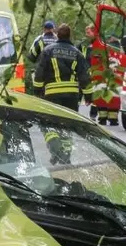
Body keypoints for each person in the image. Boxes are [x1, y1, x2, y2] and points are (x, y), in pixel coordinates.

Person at [32, 24, 93, 164]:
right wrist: (88, 95)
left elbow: (39, 73)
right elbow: (84, 76)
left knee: (48, 122)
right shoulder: (77, 53)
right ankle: (65, 156)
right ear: (69, 36)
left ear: (57, 35)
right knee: (67, 125)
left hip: (52, 94)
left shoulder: (47, 51)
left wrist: (37, 91)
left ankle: (54, 146)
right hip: (72, 95)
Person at [26, 21, 58, 95]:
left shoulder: (40, 39)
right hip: (56, 73)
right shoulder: (58, 40)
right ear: (53, 29)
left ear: (44, 29)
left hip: (42, 72)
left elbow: (31, 55)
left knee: (41, 94)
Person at [79, 24, 99, 121]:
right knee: (79, 93)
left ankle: (93, 115)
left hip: (95, 72)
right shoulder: (83, 44)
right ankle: (75, 113)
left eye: (88, 32)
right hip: (83, 72)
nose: (86, 35)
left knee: (95, 94)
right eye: (86, 33)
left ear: (94, 32)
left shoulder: (99, 43)